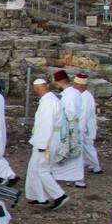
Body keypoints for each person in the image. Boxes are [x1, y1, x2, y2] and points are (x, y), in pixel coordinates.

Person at [25, 78, 68, 209]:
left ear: (38, 88)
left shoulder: (48, 103)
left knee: (41, 168)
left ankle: (59, 195)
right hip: (46, 138)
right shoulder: (50, 100)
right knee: (33, 167)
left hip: (46, 140)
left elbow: (46, 125)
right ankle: (38, 196)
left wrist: (43, 145)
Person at [51, 69, 86, 189]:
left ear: (60, 82)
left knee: (71, 152)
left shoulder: (70, 95)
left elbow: (70, 113)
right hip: (70, 126)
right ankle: (69, 177)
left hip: (70, 128)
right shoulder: (72, 93)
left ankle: (79, 179)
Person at [75, 72, 102, 176]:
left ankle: (96, 166)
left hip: (86, 127)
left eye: (76, 84)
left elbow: (83, 115)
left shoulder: (86, 97)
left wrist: (79, 129)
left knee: (88, 147)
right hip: (85, 127)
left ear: (80, 85)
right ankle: (93, 166)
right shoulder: (81, 95)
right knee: (87, 148)